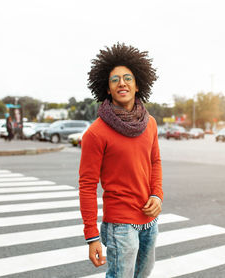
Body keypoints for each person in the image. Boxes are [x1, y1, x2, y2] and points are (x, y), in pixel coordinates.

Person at [79, 43, 163, 278]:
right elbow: (87, 186)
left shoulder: (150, 123)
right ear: (107, 88)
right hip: (120, 225)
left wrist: (157, 195)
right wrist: (92, 236)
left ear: (138, 85)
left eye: (128, 78)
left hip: (149, 220)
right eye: (115, 80)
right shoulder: (96, 133)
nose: (122, 83)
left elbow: (155, 162)